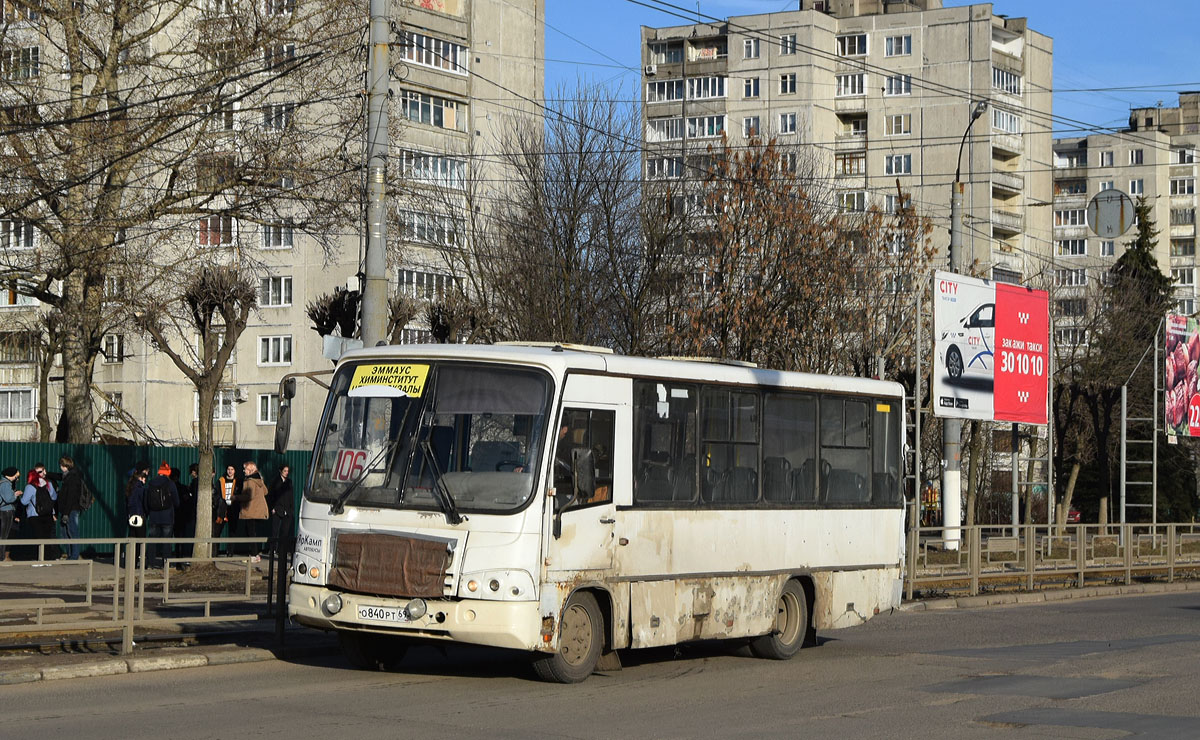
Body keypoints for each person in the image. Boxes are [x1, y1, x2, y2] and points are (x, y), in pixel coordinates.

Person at [144, 461, 180, 569]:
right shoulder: (170, 484)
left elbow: (146, 501)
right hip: (167, 517)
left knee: (152, 541)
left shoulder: (150, 483)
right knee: (166, 541)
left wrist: (148, 512)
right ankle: (166, 563)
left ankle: (150, 563)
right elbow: (177, 501)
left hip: (153, 517)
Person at [232, 460, 269, 562]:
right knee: (252, 532)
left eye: (246, 469)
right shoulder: (259, 480)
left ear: (251, 470)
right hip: (259, 510)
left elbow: (249, 496)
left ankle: (254, 555)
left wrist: (236, 497)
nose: (244, 471)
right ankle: (255, 554)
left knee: (250, 532)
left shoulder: (249, 481)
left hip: (250, 510)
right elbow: (265, 491)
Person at [20, 463, 59, 560]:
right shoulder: (49, 484)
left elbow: (24, 502)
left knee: (38, 537)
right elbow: (54, 497)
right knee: (47, 537)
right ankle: (48, 559)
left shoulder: (30, 487)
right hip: (48, 514)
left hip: (35, 515)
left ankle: (40, 559)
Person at [56, 456, 87, 560]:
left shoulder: (72, 478)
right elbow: (59, 476)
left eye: (61, 465)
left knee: (72, 532)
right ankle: (71, 554)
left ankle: (74, 555)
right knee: (66, 532)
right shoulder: (69, 476)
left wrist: (66, 513)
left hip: (70, 510)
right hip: (68, 509)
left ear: (64, 466)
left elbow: (71, 497)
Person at [267, 464, 294, 561]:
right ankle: (273, 549)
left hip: (287, 510)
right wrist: (272, 508)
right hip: (277, 509)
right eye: (285, 471)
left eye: (287, 471)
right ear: (280, 471)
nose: (286, 473)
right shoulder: (275, 482)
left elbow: (291, 496)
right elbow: (271, 495)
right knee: (275, 531)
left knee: (285, 531)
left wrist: (291, 509)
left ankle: (282, 550)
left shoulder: (289, 482)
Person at [173, 465, 197, 558]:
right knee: (181, 538)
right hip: (182, 515)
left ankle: (166, 559)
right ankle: (180, 557)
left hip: (172, 515)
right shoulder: (183, 488)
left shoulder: (169, 487)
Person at [215, 465, 239, 556]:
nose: (230, 471)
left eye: (232, 469)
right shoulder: (221, 481)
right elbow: (217, 494)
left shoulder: (237, 482)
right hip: (222, 508)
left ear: (234, 471)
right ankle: (215, 551)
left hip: (233, 508)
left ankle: (230, 551)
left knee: (232, 531)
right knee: (218, 530)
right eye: (228, 469)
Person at [126, 462, 149, 539]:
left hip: (131, 516)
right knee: (141, 540)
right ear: (141, 477)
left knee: (132, 537)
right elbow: (144, 502)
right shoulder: (140, 489)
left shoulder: (130, 487)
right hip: (140, 516)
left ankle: (130, 551)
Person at [0, 466, 19, 561]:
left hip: (3, 511)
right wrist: (15, 495)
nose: (17, 479)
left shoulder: (2, 483)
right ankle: (1, 557)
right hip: (6, 511)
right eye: (16, 476)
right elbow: (9, 499)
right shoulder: (6, 484)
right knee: (4, 535)